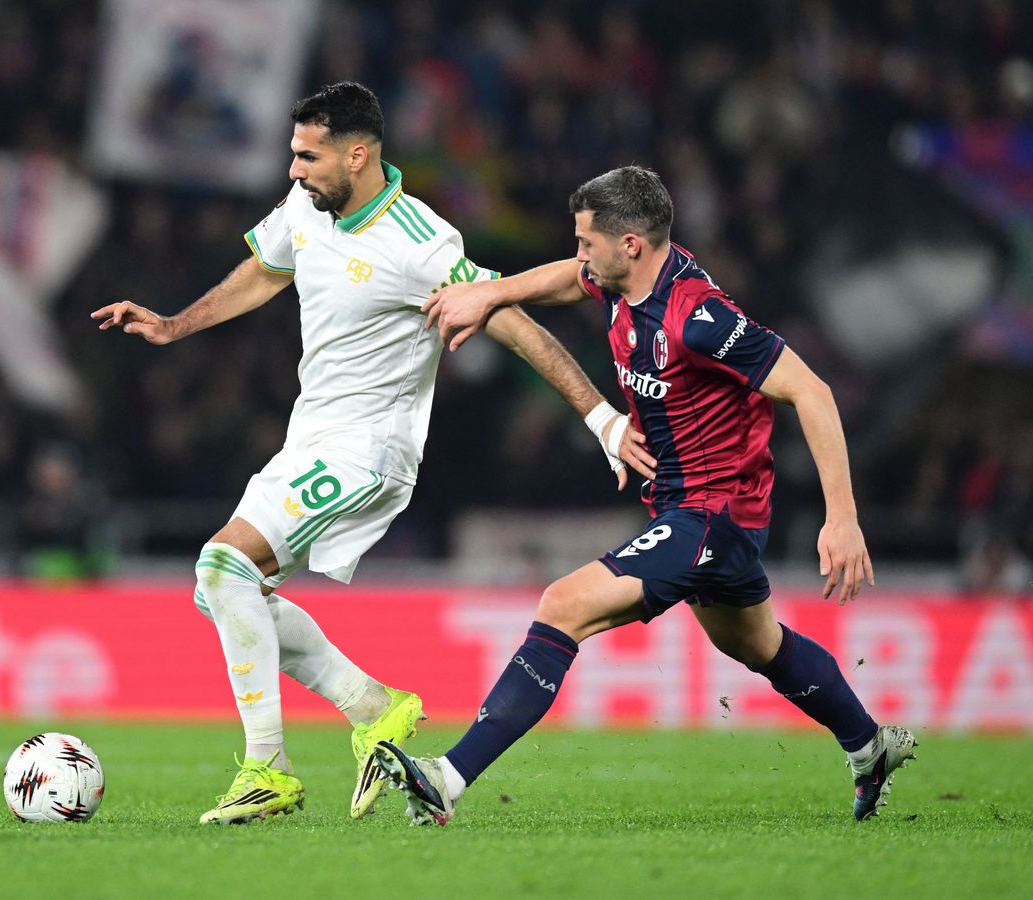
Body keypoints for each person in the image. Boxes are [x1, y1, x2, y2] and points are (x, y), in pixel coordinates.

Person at [91, 83, 655, 825]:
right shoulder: (308, 207)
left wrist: (602, 418)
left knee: (224, 566)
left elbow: (510, 320)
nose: (294, 170)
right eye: (294, 154)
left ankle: (267, 770)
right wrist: (173, 326)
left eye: (308, 156)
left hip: (368, 450)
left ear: (357, 156)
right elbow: (267, 268)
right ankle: (373, 706)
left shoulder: (419, 241)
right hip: (308, 439)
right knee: (223, 592)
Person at [372, 164, 917, 825]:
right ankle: (869, 746)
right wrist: (492, 293)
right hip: (689, 508)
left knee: (563, 605)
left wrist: (843, 519)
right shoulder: (622, 279)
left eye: (587, 242)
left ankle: (447, 778)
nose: (579, 256)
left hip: (715, 515)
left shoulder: (701, 319)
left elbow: (812, 391)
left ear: (630, 244)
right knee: (756, 644)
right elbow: (568, 279)